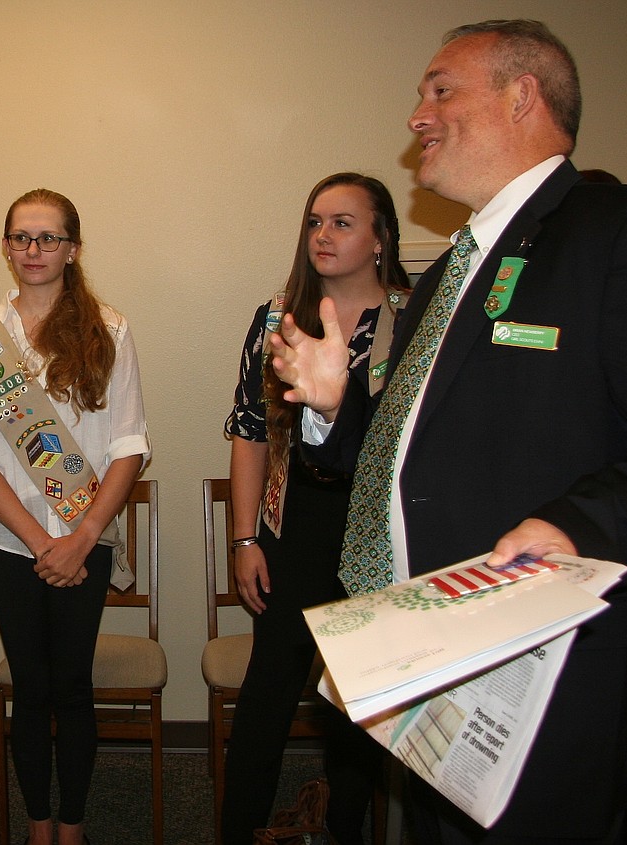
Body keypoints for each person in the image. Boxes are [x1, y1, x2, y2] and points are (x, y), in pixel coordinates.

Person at [269, 20, 627, 845]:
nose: (416, 115)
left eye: (440, 90)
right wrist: (331, 405)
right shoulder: (447, 273)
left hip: (544, 667)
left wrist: (577, 522)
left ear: (522, 95)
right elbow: (400, 454)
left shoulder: (611, 231)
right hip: (433, 661)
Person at [0, 189, 150, 845]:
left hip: (84, 539)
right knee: (30, 688)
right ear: (6, 247)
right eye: (21, 237)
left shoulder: (110, 330)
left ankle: (73, 826)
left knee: (72, 685)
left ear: (73, 247)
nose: (33, 251)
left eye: (48, 237)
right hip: (8, 541)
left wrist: (83, 537)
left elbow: (129, 445)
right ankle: (39, 824)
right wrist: (41, 541)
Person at [221, 173, 408, 845]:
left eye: (343, 222)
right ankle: (238, 829)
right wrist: (244, 541)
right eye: (314, 222)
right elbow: (248, 432)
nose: (323, 235)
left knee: (356, 709)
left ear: (382, 237)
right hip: (292, 528)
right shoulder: (278, 318)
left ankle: (343, 829)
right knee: (267, 696)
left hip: (375, 538)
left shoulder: (413, 319)